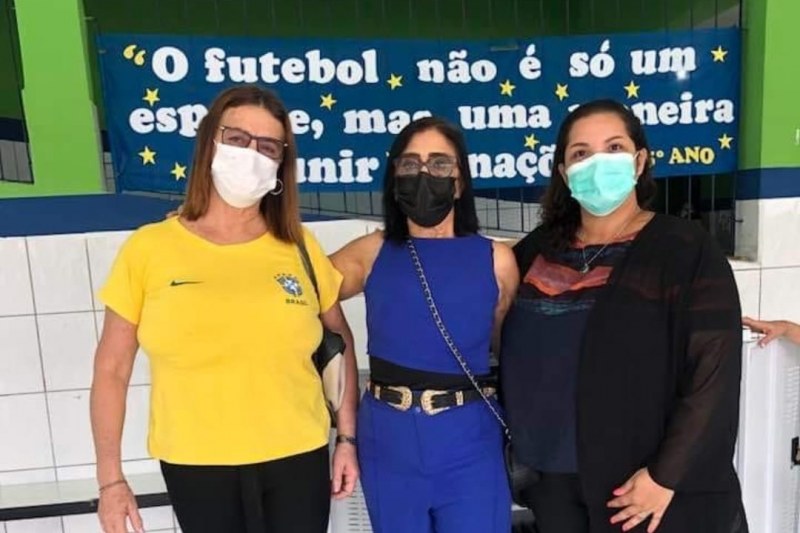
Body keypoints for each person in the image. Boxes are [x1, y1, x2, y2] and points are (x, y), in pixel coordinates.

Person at [90, 85, 359, 533]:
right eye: (237, 139)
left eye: (268, 146)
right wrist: (110, 480)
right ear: (210, 143)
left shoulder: (299, 247)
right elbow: (111, 370)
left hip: (298, 457)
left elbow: (339, 342)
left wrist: (347, 437)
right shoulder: (149, 249)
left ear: (281, 164)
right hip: (197, 465)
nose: (250, 154)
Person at [501, 100, 748, 533]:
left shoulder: (684, 249)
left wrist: (665, 475)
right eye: (581, 153)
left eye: (613, 147)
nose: (597, 163)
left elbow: (714, 372)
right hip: (551, 482)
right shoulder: (534, 252)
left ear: (639, 161)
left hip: (642, 486)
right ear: (564, 173)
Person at [330, 116, 519, 533]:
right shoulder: (372, 251)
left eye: (439, 163)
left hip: (471, 439)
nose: (423, 174)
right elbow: (301, 293)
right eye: (410, 164)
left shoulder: (496, 260)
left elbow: (508, 350)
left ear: (459, 182)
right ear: (395, 178)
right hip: (387, 439)